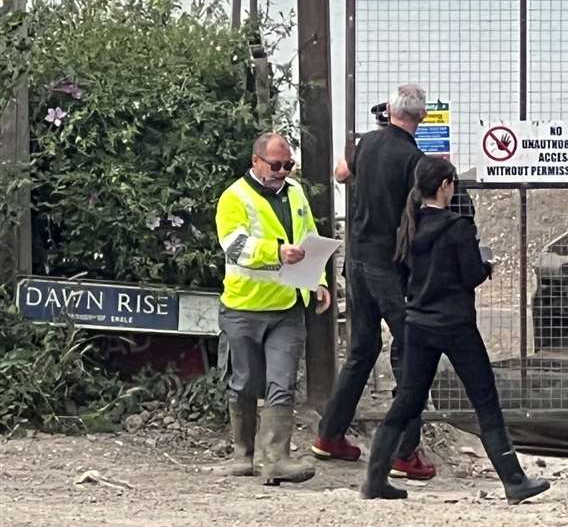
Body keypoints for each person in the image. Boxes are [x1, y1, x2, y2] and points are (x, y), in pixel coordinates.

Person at [361, 156, 549, 505]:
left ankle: (375, 478)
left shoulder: (409, 225)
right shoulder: (459, 228)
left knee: (407, 401)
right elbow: (471, 275)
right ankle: (514, 480)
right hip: (456, 326)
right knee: (485, 401)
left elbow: (402, 273)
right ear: (446, 186)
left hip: (418, 324)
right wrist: (487, 265)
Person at [312, 85, 438, 481]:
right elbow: (424, 213)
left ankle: (330, 435)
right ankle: (404, 452)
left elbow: (341, 173)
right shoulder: (414, 161)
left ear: (388, 110)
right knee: (411, 352)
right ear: (421, 118)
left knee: (362, 349)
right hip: (390, 266)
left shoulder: (365, 144)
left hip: (358, 260)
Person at [213, 132, 331, 484]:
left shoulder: (295, 193)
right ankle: (242, 455)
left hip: (287, 305)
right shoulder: (234, 198)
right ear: (256, 161)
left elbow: (310, 236)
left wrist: (319, 281)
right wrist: (276, 252)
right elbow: (234, 246)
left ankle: (277, 458)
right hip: (244, 305)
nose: (283, 171)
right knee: (245, 382)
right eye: (276, 165)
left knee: (282, 384)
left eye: (288, 165)